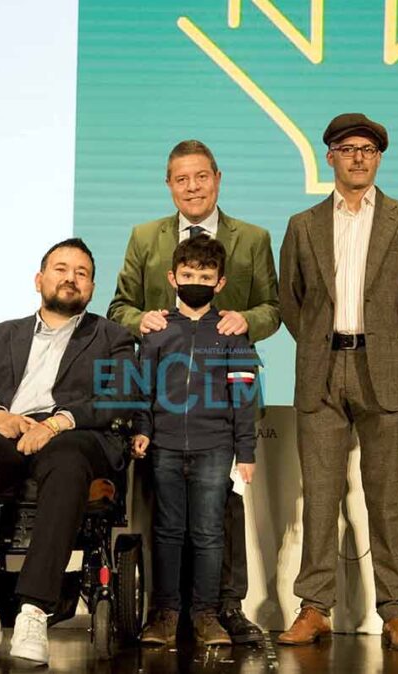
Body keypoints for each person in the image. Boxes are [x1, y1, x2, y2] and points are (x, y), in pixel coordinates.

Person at [107, 139, 278, 643]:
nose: (192, 187)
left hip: (223, 411)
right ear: (169, 185)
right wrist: (145, 319)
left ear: (217, 178)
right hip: (163, 416)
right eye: (181, 179)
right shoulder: (144, 237)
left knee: (221, 517)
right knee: (168, 520)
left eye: (200, 176)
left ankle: (223, 609)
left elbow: (273, 307)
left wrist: (246, 319)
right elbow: (119, 307)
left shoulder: (253, 237)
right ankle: (167, 610)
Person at [277, 113, 398, 651]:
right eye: (348, 148)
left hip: (382, 371)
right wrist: (325, 345)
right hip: (322, 371)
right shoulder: (303, 224)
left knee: (384, 499)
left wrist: (389, 349)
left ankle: (396, 613)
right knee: (320, 496)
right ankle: (315, 608)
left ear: (379, 157)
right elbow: (292, 302)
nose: (359, 157)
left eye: (368, 149)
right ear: (330, 157)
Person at [0, 238, 135, 667]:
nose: (70, 278)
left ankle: (34, 609)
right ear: (39, 279)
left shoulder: (112, 337)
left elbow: (121, 395)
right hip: (10, 431)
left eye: (81, 273)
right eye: (61, 269)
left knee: (68, 460)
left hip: (74, 434)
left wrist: (58, 421)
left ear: (91, 288)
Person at [133, 236, 261, 648]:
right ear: (173, 277)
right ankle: (165, 614)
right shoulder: (156, 332)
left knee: (208, 533)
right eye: (188, 275)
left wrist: (246, 450)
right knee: (168, 531)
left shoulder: (231, 334)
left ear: (220, 283)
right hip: (165, 446)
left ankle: (205, 614)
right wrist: (143, 429)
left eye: (205, 276)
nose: (196, 282)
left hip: (215, 447)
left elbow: (244, 396)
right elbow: (142, 389)